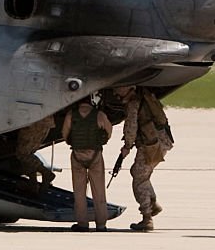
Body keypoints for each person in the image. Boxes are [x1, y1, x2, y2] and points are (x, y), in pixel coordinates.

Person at [117, 85, 174, 232]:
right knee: (140, 173)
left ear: (130, 89)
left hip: (151, 144)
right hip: (162, 141)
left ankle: (147, 217)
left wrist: (127, 147)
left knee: (139, 178)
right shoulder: (146, 97)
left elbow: (131, 127)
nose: (116, 92)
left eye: (119, 89)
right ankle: (152, 203)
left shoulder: (133, 104)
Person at [61, 96, 113, 232]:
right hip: (95, 155)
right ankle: (101, 225)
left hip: (77, 155)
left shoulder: (71, 115)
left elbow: (65, 134)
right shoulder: (99, 115)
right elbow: (108, 131)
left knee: (79, 193)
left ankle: (82, 224)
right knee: (99, 192)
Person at [14, 115, 56, 188]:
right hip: (40, 122)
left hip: (34, 123)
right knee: (28, 153)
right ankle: (33, 182)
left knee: (23, 154)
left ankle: (45, 173)